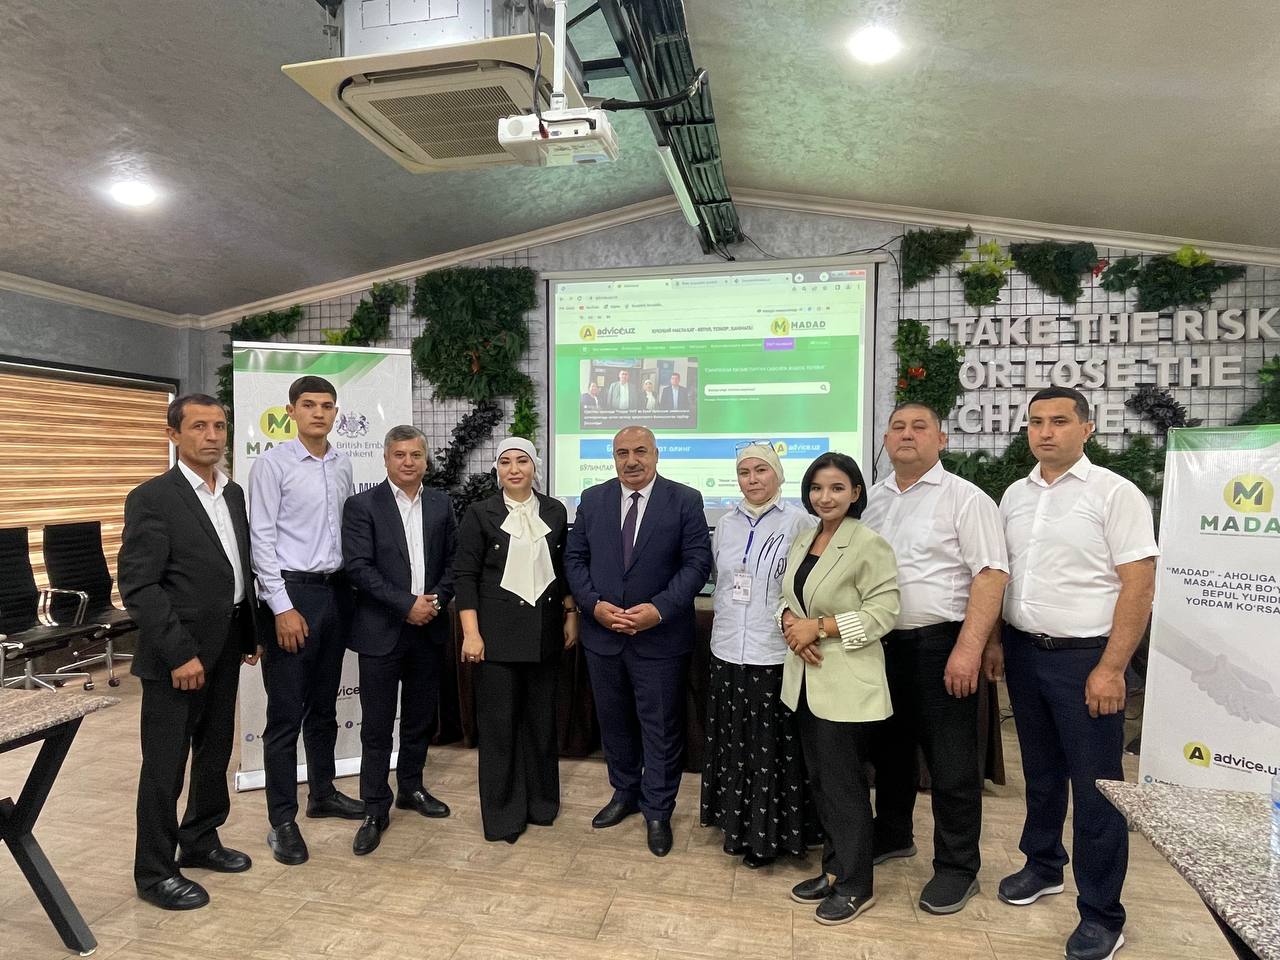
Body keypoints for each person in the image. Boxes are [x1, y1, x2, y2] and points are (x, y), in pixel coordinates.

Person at [993, 386, 1157, 960]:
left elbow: (1139, 585)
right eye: (1036, 421)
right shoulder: (1014, 495)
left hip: (1087, 660)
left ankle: (1102, 915)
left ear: (1086, 429)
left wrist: (1112, 668)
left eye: (1060, 421)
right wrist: (996, 642)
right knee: (1040, 773)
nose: (1045, 431)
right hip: (1024, 652)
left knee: (1096, 790)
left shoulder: (1115, 493)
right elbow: (1002, 575)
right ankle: (1043, 865)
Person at [862, 402, 1009, 915]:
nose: (907, 434)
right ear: (885, 440)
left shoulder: (965, 498)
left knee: (951, 764)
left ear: (941, 440)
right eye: (898, 427)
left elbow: (990, 575)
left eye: (919, 426)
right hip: (881, 646)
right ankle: (893, 834)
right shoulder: (873, 501)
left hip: (942, 645)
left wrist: (969, 648)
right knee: (890, 753)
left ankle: (957, 868)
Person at [120, 394, 261, 910]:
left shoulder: (233, 493)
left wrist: (250, 634)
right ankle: (155, 872)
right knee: (165, 766)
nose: (212, 436)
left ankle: (200, 839)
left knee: (214, 752)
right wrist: (179, 653)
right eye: (199, 426)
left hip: (226, 645)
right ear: (173, 435)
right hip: (177, 656)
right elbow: (140, 586)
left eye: (219, 426)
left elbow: (236, 568)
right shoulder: (152, 497)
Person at [564, 425, 712, 856]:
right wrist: (594, 606)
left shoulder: (684, 500)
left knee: (660, 728)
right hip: (603, 635)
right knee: (614, 723)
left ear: (656, 454)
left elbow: (697, 564)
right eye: (622, 453)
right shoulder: (592, 500)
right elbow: (574, 559)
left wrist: (658, 610)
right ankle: (624, 792)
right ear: (613, 457)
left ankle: (658, 810)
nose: (631, 461)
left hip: (660, 638)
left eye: (640, 451)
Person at [779, 452, 899, 926]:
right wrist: (790, 624)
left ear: (855, 493)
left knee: (845, 789)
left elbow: (883, 613)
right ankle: (833, 871)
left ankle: (856, 885)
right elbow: (786, 598)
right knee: (822, 784)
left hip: (847, 683)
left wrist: (821, 628)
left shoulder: (868, 543)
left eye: (835, 488)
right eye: (816, 488)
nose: (824, 497)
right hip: (805, 682)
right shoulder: (805, 538)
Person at [249, 375, 363, 867]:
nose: (319, 413)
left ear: (336, 413)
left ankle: (323, 793)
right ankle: (282, 821)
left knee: (324, 708)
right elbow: (261, 539)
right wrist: (281, 607)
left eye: (328, 406)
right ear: (291, 411)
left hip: (335, 593)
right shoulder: (272, 464)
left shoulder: (343, 463)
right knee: (284, 716)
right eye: (309, 405)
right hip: (292, 595)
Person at [700, 442, 819, 868]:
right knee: (734, 745)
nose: (752, 479)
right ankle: (736, 827)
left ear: (778, 475)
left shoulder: (800, 522)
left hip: (773, 651)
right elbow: (720, 579)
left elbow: (806, 585)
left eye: (761, 470)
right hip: (727, 648)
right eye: (744, 472)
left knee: (770, 749)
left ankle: (770, 837)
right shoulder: (725, 524)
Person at [453, 437, 578, 844]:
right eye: (505, 462)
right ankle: (503, 815)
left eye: (522, 461)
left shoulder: (555, 510)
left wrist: (570, 614)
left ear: (534, 466)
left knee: (541, 724)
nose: (514, 469)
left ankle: (541, 804)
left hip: (545, 632)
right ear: (497, 470)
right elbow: (465, 577)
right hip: (495, 636)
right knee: (499, 729)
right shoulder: (479, 513)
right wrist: (471, 634)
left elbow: (560, 569)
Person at [341, 425, 457, 855]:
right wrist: (407, 604)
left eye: (416, 455)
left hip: (430, 627)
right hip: (382, 630)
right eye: (399, 455)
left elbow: (454, 562)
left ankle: (411, 786)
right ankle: (375, 807)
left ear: (426, 460)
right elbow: (358, 568)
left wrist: (434, 602)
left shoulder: (442, 503)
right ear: (386, 459)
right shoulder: (362, 506)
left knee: (419, 718)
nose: (408, 462)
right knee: (376, 725)